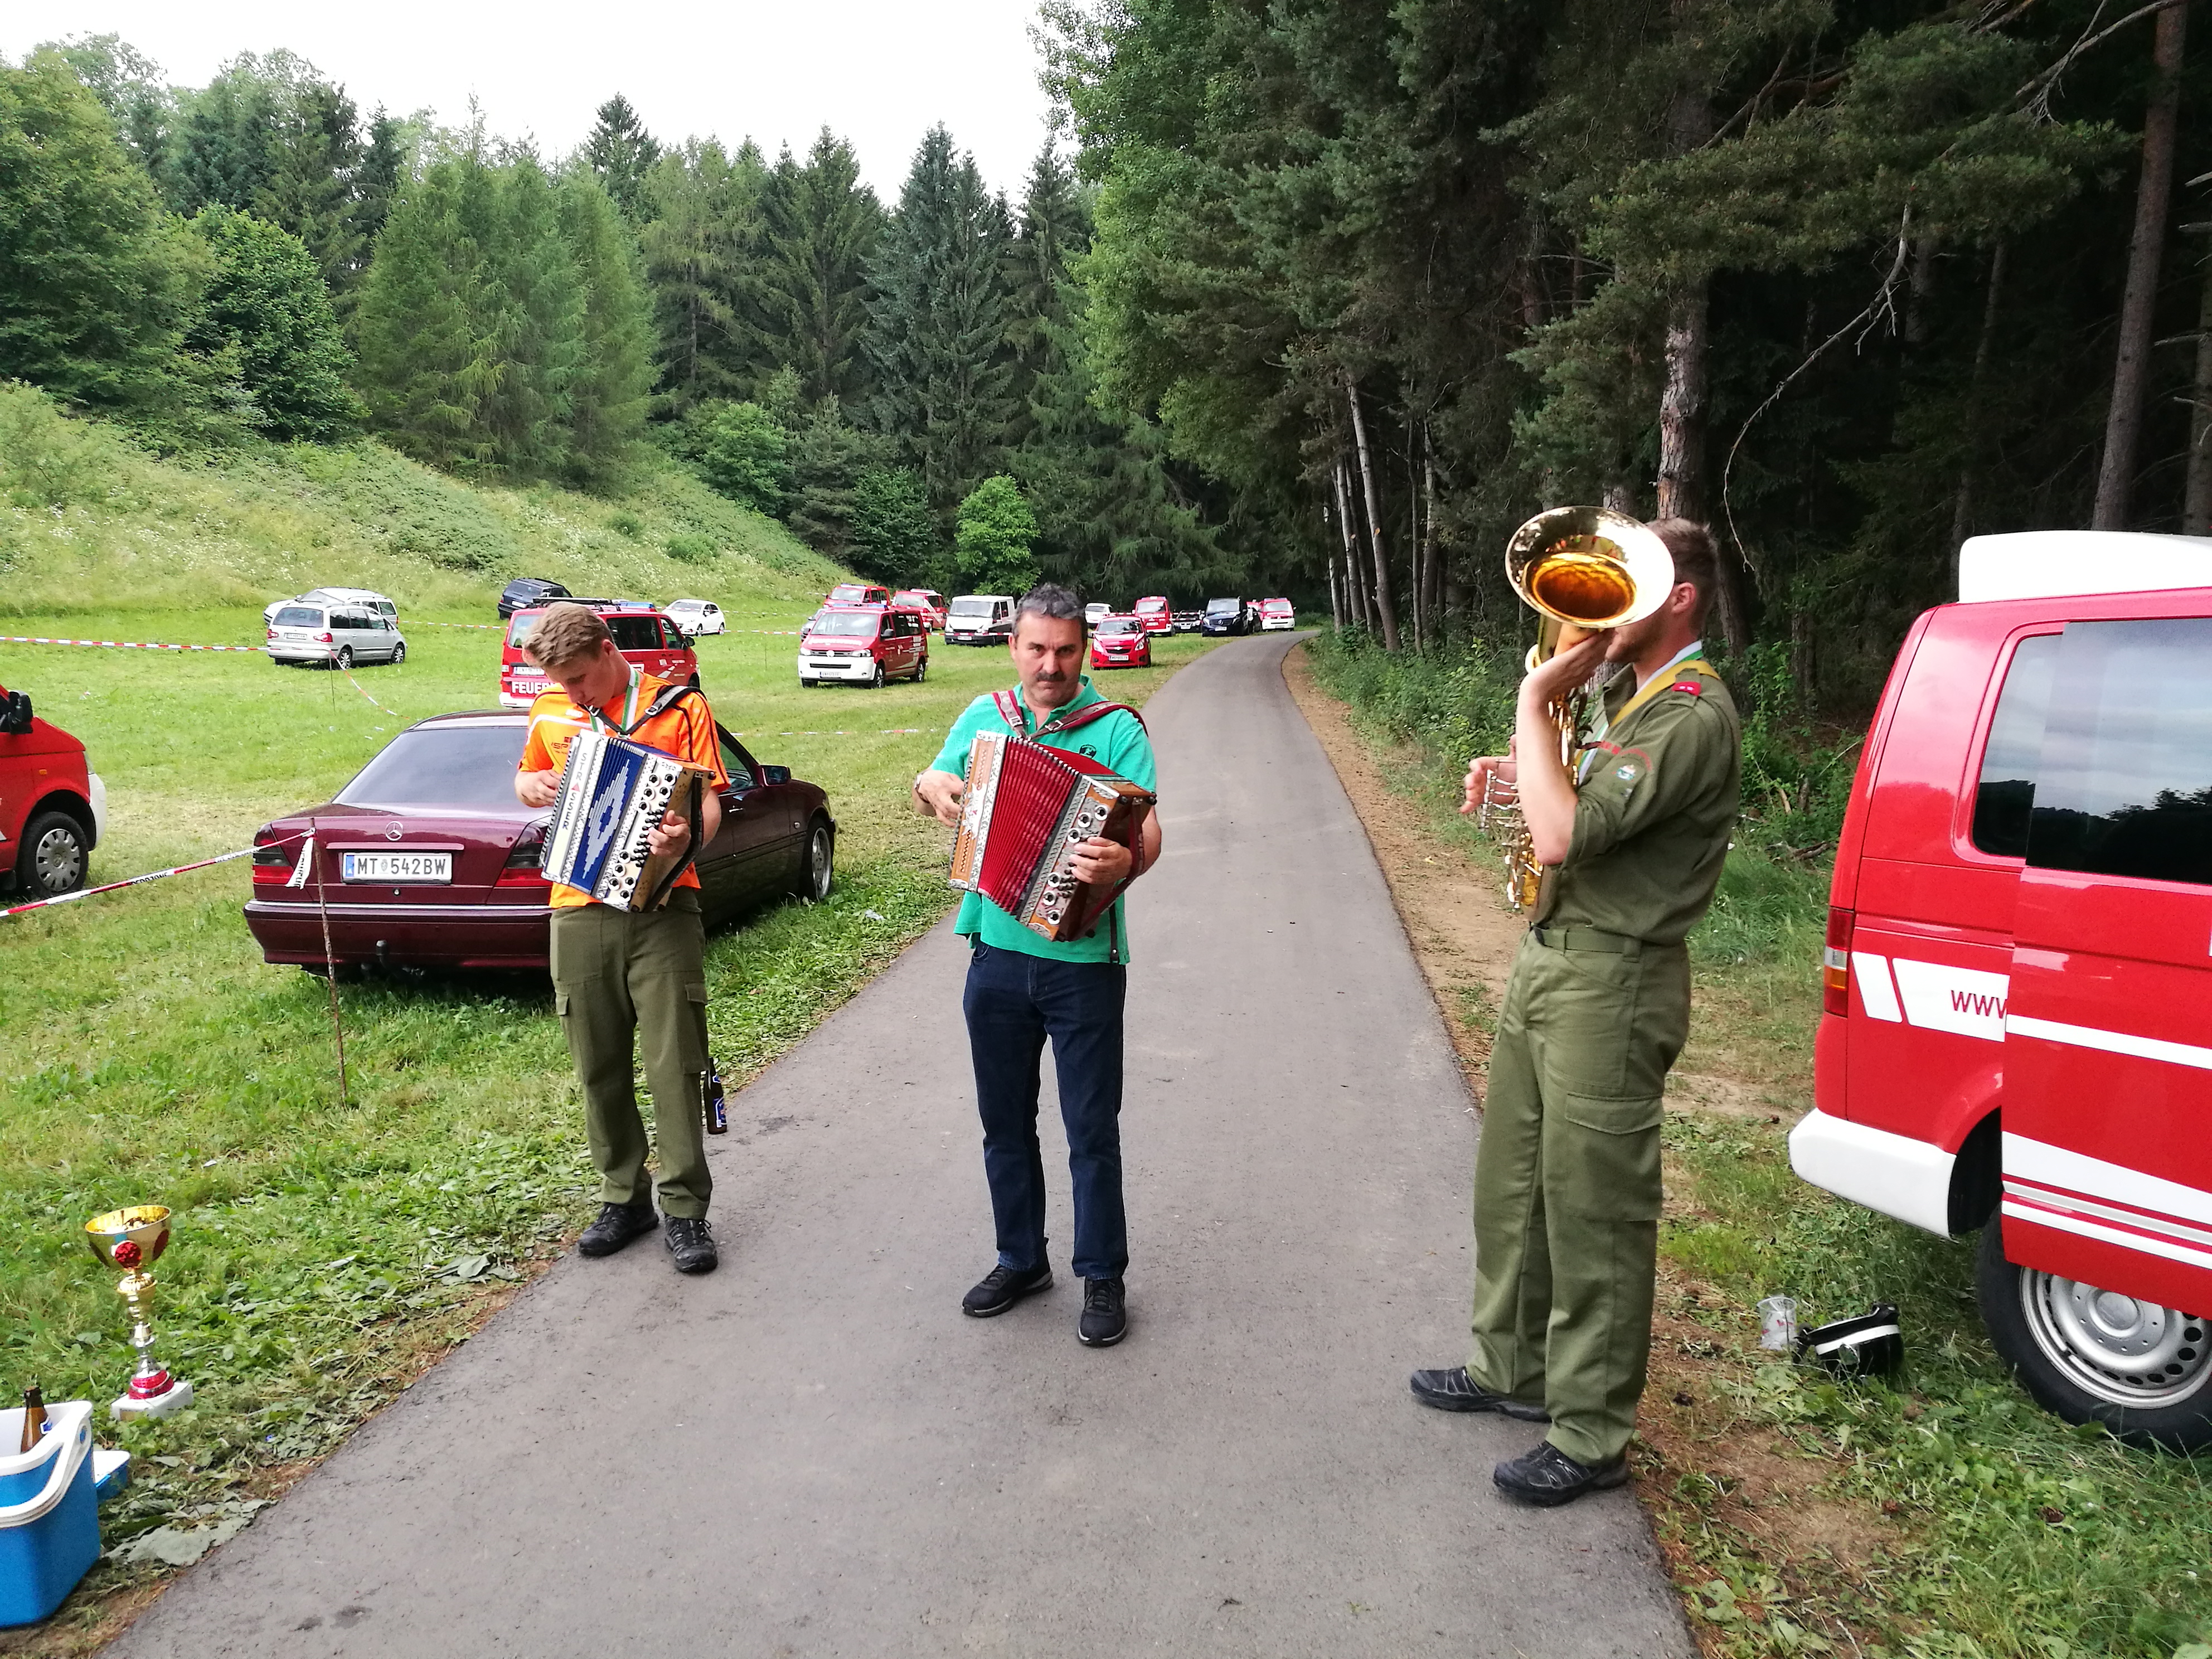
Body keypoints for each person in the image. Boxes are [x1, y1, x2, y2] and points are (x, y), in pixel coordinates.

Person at [1410, 518, 1742, 1505]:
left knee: (1596, 1208)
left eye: (1629, 587)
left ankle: (1592, 1432)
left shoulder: (1690, 712)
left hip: (1615, 981)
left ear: (1680, 598)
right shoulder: (1635, 701)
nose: (1605, 608)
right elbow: (1577, 808)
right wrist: (1516, 769)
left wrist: (1531, 699)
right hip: (1552, 960)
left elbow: (1561, 840)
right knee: (1514, 1181)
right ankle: (1510, 1366)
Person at [913, 584, 1165, 1347]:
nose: (1050, 665)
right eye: (1036, 649)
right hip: (994, 954)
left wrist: (1126, 859)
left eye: (1064, 650)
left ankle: (1102, 1274)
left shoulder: (1116, 728)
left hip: (1082, 962)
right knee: (1004, 1124)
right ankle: (1020, 1260)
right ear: (1013, 647)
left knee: (1090, 1128)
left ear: (1083, 650)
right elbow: (932, 784)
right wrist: (932, 786)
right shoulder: (984, 717)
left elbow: (1149, 833)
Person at [515, 603, 730, 1275]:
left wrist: (684, 836)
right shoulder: (549, 711)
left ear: (608, 650)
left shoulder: (679, 706)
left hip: (663, 906)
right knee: (597, 1063)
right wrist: (533, 784)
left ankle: (685, 1209)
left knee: (675, 1063)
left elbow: (708, 802)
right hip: (577, 907)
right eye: (562, 682)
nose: (574, 693)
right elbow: (524, 779)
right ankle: (623, 1198)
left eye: (580, 678)